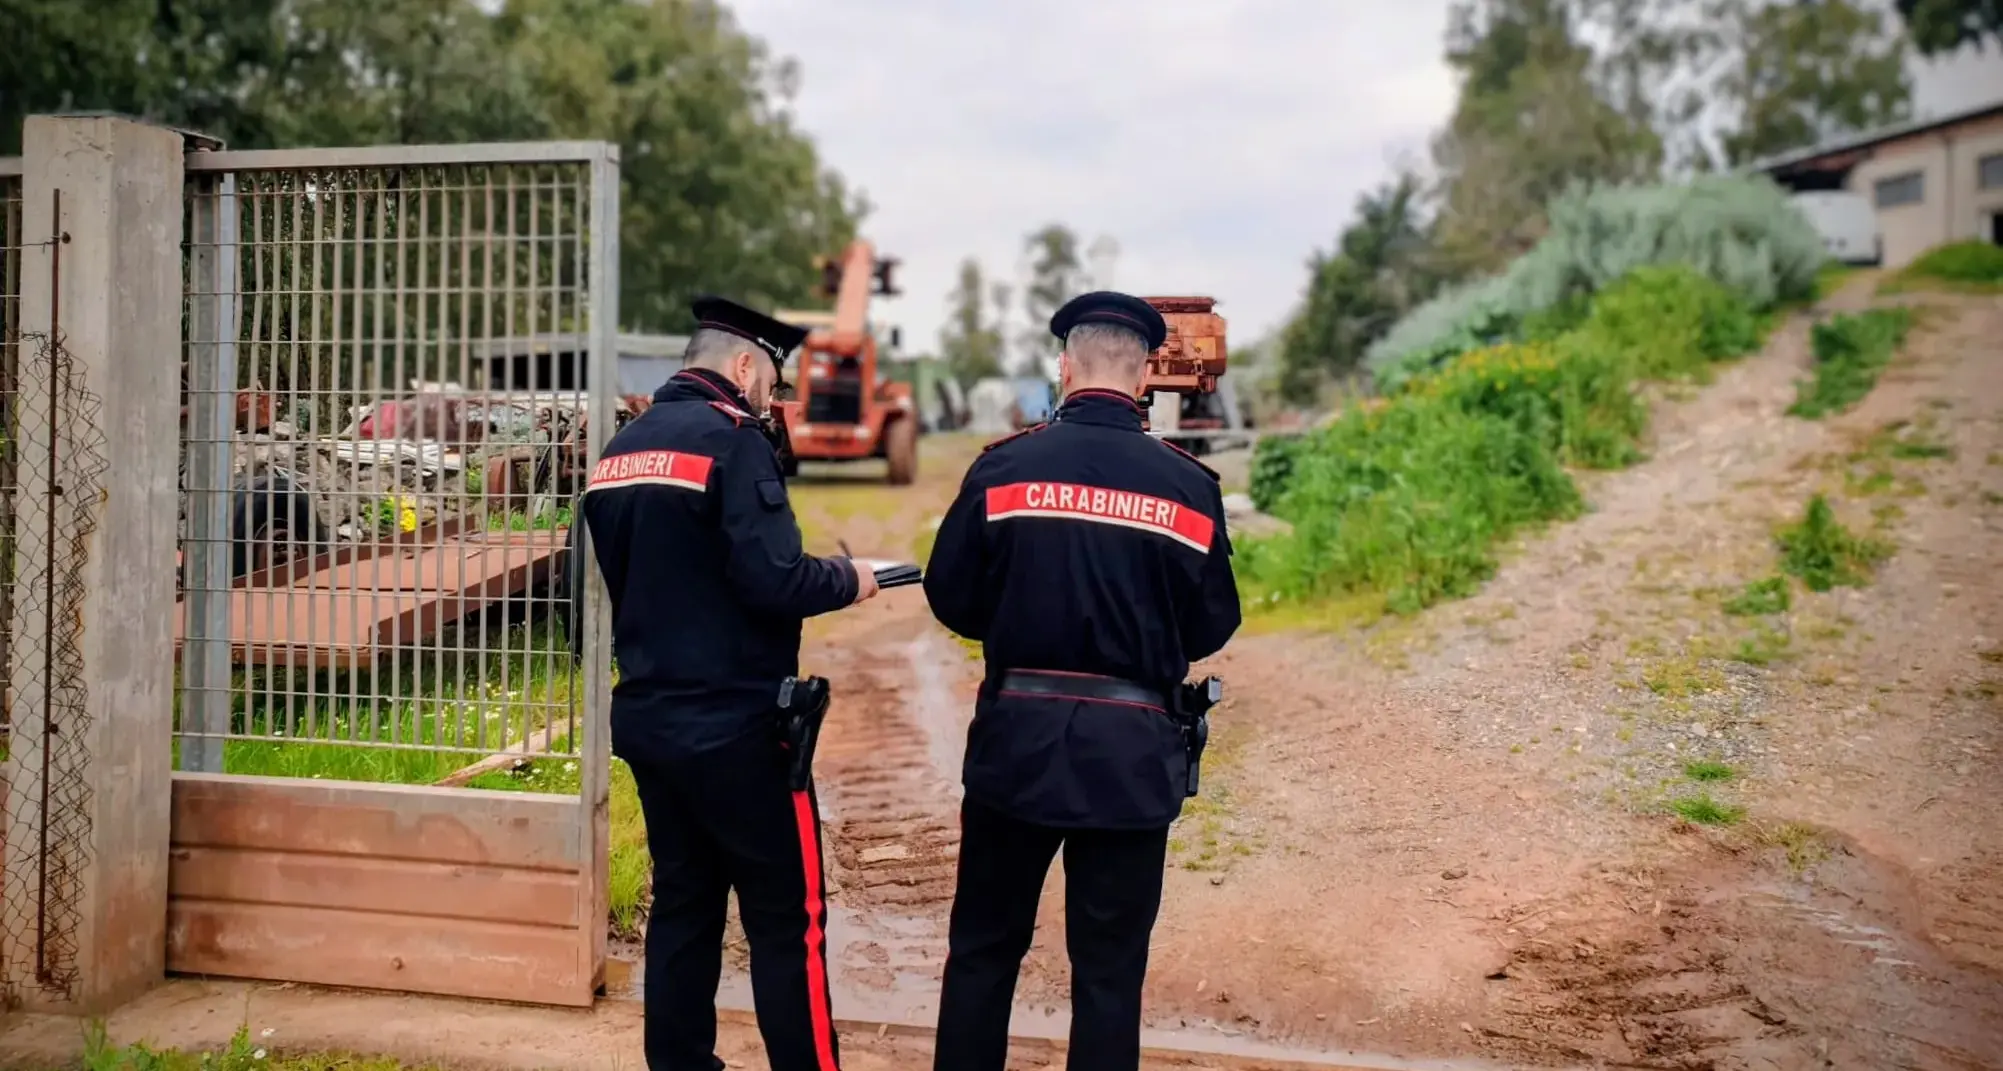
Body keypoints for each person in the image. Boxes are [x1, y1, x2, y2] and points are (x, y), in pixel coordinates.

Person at [921, 291, 1243, 1071]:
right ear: (1141, 379)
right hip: (1131, 758)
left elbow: (950, 596)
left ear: (1063, 367)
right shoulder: (1188, 486)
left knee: (983, 952)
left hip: (1015, 744)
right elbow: (1210, 626)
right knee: (1108, 973)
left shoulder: (1003, 466)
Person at [580, 295, 879, 1071]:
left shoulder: (621, 447)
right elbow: (773, 578)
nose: (772, 400)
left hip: (651, 718)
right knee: (788, 920)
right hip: (741, 731)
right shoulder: (733, 442)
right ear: (743, 366)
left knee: (684, 902)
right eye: (772, 383)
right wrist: (853, 578)